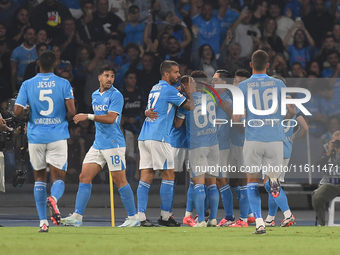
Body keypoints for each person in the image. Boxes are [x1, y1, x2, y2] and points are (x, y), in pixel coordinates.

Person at [61, 65, 140, 228]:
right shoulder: (95, 95)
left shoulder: (116, 95)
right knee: (84, 177)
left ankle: (133, 217)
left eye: (112, 76)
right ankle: (77, 216)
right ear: (99, 77)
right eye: (106, 75)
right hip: (99, 144)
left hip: (113, 144)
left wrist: (87, 116)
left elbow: (111, 119)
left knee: (120, 180)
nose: (109, 79)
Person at [13, 50, 76, 232]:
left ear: (38, 63)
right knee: (58, 177)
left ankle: (43, 222)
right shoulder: (64, 83)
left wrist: (28, 111)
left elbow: (17, 111)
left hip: (36, 136)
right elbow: (71, 112)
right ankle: (53, 199)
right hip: (57, 136)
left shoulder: (27, 84)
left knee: (39, 178)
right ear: (55, 64)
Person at [233, 50, 295, 234]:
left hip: (253, 139)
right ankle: (288, 214)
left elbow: (237, 117)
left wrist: (243, 128)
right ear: (268, 65)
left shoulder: (242, 86)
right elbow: (291, 110)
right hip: (275, 139)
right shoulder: (279, 84)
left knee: (252, 182)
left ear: (251, 65)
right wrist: (278, 121)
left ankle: (260, 223)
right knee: (273, 181)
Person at [137, 60, 191, 227]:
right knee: (169, 176)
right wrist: (189, 93)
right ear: (166, 74)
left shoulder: (156, 88)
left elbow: (157, 110)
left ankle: (140, 216)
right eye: (175, 72)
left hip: (145, 136)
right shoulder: (169, 90)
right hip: (159, 137)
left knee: (146, 176)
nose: (178, 75)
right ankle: (165, 217)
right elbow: (191, 106)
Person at [174, 75, 219, 227]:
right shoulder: (210, 99)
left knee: (198, 184)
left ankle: (201, 221)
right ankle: (213, 219)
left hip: (197, 145)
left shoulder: (186, 104)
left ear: (185, 86)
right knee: (212, 184)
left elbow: (178, 124)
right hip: (213, 145)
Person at [263, 76, 308, 227]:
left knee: (270, 184)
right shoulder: (293, 103)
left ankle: (288, 214)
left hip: (273, 149)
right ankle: (270, 219)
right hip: (286, 149)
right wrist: (293, 137)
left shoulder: (271, 103)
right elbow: (305, 128)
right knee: (274, 183)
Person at [312, 131, 340, 226]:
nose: (337, 145)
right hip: (329, 185)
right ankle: (321, 224)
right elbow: (318, 166)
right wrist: (328, 153)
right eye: (335, 142)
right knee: (317, 196)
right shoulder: (326, 150)